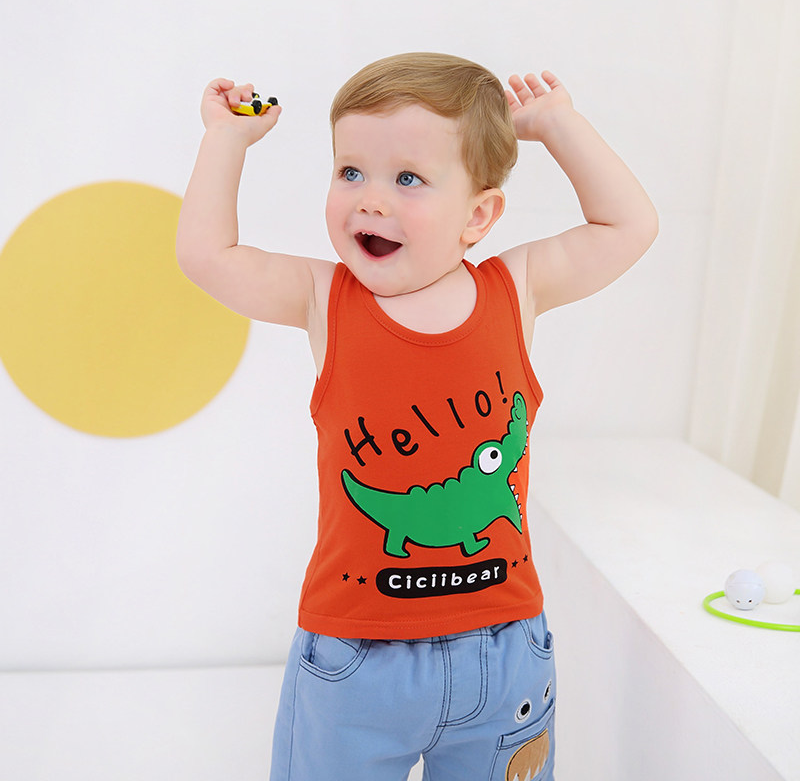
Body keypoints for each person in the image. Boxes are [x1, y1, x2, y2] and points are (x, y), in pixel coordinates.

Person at [176, 52, 658, 781]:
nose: (370, 200)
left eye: (407, 178)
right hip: (357, 656)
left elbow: (630, 225)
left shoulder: (517, 287)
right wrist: (225, 139)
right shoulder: (323, 297)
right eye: (350, 172)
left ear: (479, 215)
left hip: (503, 648)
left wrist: (560, 125)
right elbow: (207, 256)